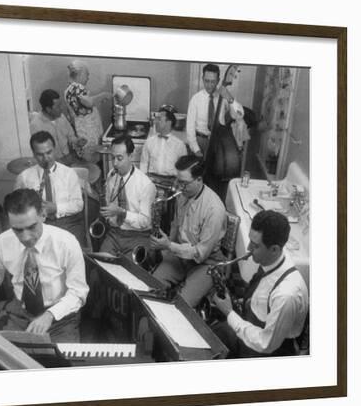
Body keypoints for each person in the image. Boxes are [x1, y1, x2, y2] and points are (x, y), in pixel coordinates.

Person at [0, 188, 89, 342]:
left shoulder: (66, 242)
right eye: (17, 230)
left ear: (43, 214)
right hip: (20, 312)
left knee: (61, 362)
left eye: (31, 227)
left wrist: (50, 315)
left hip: (60, 315)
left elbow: (78, 292)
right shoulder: (2, 242)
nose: (26, 237)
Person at [211, 210, 309, 358]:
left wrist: (229, 313)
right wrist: (245, 302)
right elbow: (264, 290)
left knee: (213, 341)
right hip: (254, 326)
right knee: (214, 333)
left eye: (255, 246)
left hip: (268, 352)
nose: (249, 249)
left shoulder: (287, 294)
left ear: (274, 249)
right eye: (250, 241)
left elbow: (266, 344)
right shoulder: (272, 259)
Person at [150, 155, 227, 307]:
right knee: (152, 287)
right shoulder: (183, 195)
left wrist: (169, 246)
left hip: (206, 262)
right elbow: (175, 224)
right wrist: (167, 247)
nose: (179, 187)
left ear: (199, 179)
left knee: (182, 305)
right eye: (178, 181)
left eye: (184, 183)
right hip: (180, 255)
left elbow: (200, 253)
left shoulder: (214, 209)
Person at [15, 131, 86, 247]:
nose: (46, 158)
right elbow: (16, 208)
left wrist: (56, 208)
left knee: (72, 253)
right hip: (39, 225)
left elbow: (78, 205)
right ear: (33, 154)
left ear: (54, 149)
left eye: (49, 152)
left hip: (68, 223)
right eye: (40, 154)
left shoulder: (69, 173)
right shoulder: (24, 177)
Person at [99, 136, 157, 259]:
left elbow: (145, 222)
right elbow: (109, 201)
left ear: (131, 156)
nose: (114, 163)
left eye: (119, 158)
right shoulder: (112, 175)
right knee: (102, 264)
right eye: (112, 157)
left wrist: (122, 213)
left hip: (138, 235)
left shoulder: (146, 185)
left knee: (127, 272)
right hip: (115, 233)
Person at [186, 63, 244, 158]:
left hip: (219, 143)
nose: (209, 85)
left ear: (218, 81)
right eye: (206, 81)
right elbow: (190, 128)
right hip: (200, 141)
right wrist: (196, 150)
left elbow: (239, 115)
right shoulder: (195, 99)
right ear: (202, 79)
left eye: (212, 82)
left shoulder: (224, 96)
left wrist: (229, 98)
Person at [64, 60, 112, 162]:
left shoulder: (70, 89)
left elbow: (85, 106)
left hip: (84, 134)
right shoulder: (76, 87)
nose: (88, 77)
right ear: (80, 74)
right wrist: (103, 95)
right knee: (92, 165)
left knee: (90, 163)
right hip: (87, 135)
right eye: (87, 74)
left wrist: (98, 100)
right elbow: (88, 102)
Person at [29, 89, 78, 165]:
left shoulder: (61, 117)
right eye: (58, 106)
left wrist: (77, 141)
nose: (61, 108)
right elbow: (39, 151)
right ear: (48, 109)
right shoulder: (36, 125)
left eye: (61, 105)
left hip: (68, 159)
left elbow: (71, 136)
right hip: (51, 164)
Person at [140, 104, 187, 177]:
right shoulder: (149, 141)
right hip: (152, 179)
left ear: (169, 122)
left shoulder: (180, 145)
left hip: (171, 181)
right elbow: (143, 163)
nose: (156, 122)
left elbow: (183, 169)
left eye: (159, 119)